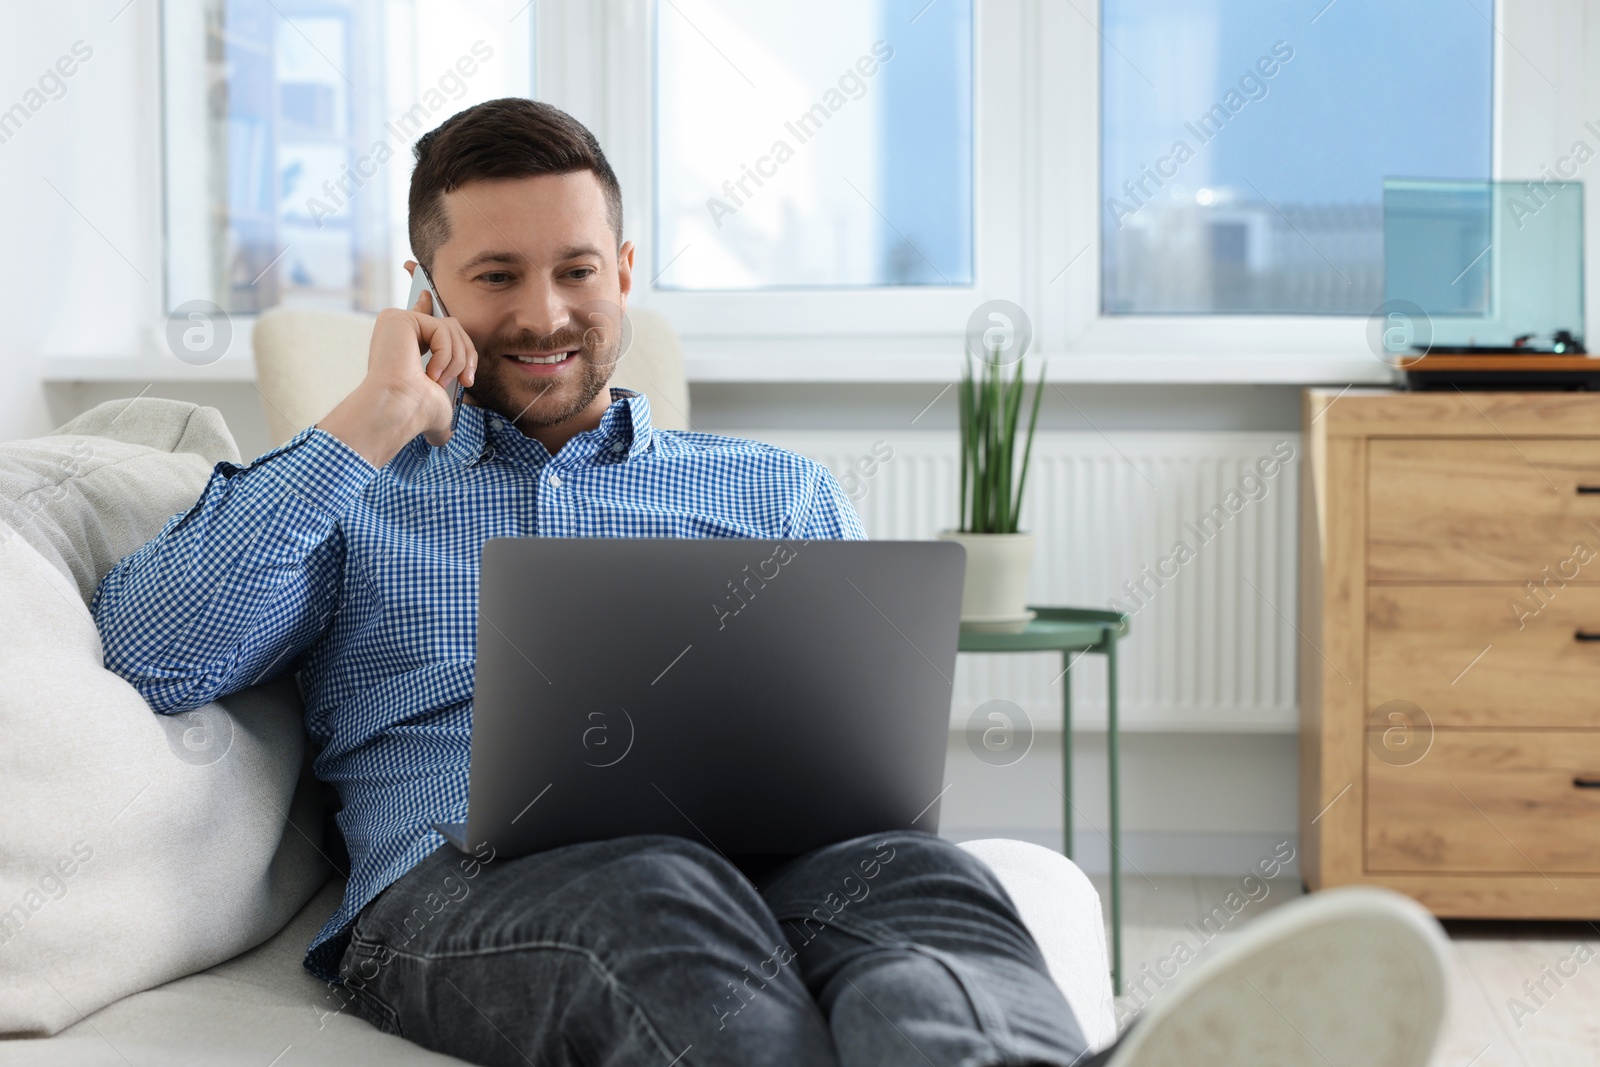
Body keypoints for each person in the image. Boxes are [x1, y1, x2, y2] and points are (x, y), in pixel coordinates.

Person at [92, 99, 1445, 1067]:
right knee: (660, 896)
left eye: (576, 270)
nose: (548, 313)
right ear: (426, 291)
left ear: (624, 272)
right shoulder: (348, 482)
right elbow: (155, 652)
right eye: (495, 277)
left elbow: (868, 751)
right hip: (469, 889)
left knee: (921, 894)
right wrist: (369, 422)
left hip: (790, 859)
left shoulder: (771, 490)